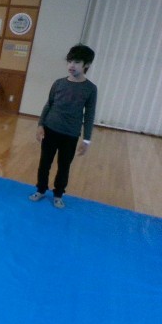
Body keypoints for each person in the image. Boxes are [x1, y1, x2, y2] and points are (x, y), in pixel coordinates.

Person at [29, 44, 97, 209]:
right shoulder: (59, 83)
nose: (71, 65)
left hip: (70, 134)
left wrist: (86, 139)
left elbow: (89, 115)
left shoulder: (90, 89)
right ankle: (41, 189)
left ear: (86, 64)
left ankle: (58, 194)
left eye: (77, 62)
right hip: (50, 129)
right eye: (69, 61)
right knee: (45, 162)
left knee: (64, 166)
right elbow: (49, 104)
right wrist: (40, 125)